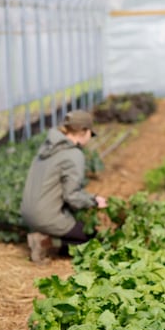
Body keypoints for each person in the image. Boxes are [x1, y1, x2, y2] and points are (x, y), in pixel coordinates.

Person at [21, 109, 107, 264]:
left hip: (28, 214)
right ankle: (44, 241)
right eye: (90, 133)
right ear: (83, 132)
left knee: (76, 228)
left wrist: (90, 198)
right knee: (93, 238)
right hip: (46, 216)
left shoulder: (48, 147)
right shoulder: (73, 154)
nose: (90, 138)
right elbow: (72, 196)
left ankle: (53, 241)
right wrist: (94, 201)